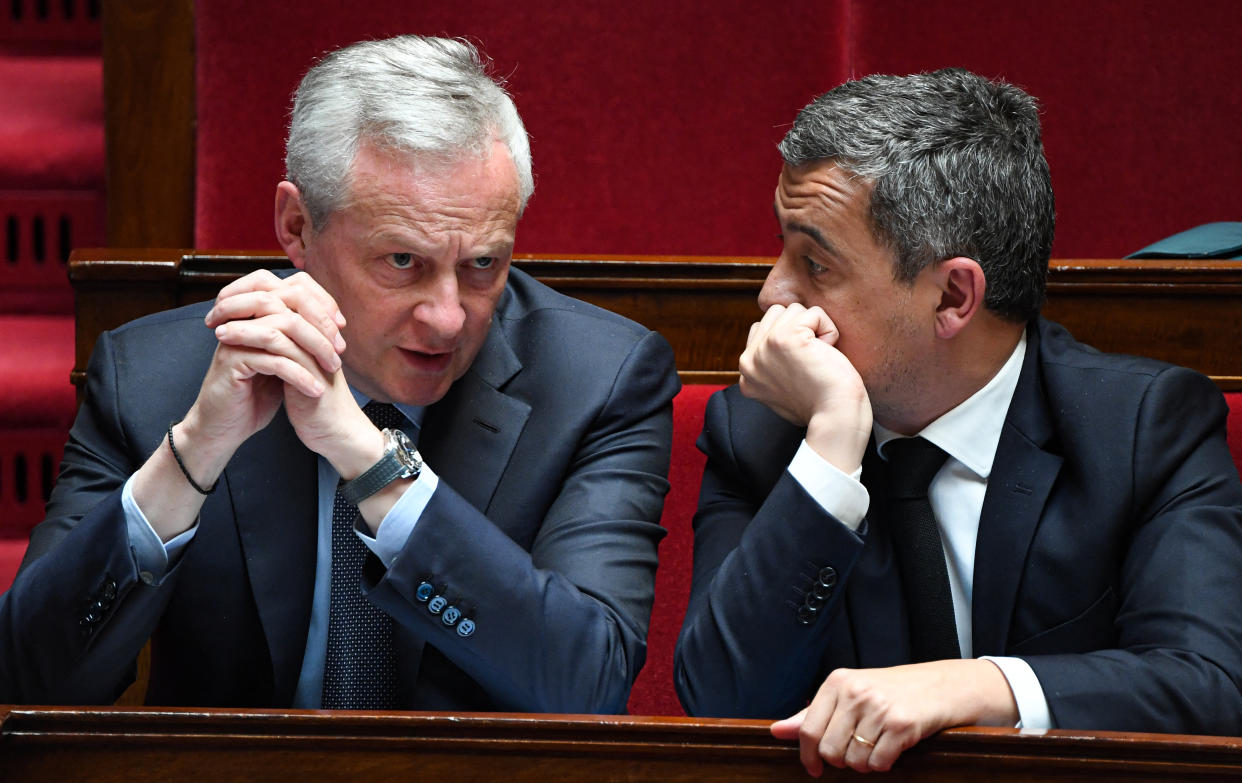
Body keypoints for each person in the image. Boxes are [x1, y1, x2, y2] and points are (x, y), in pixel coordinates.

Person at [0, 35, 680, 713]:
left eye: (482, 264)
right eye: (402, 262)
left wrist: (367, 458)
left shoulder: (598, 381)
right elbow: (31, 682)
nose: (447, 318)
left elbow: (586, 684)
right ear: (297, 226)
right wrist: (192, 454)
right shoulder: (154, 377)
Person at [674, 68, 1242, 774]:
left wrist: (978, 684)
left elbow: (1208, 683)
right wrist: (829, 453)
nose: (771, 295)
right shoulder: (761, 430)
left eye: (815, 264)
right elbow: (720, 702)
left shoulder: (1141, 428)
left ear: (952, 295)